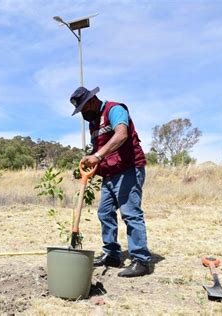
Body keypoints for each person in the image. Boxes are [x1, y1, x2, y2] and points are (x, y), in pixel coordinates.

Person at [69, 86, 151, 278]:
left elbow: (121, 135)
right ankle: (112, 254)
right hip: (109, 174)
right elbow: (100, 149)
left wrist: (97, 156)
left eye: (83, 108)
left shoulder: (114, 110)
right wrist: (89, 159)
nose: (83, 114)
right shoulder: (93, 123)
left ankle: (141, 260)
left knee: (130, 213)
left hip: (129, 169)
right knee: (104, 212)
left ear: (91, 101)